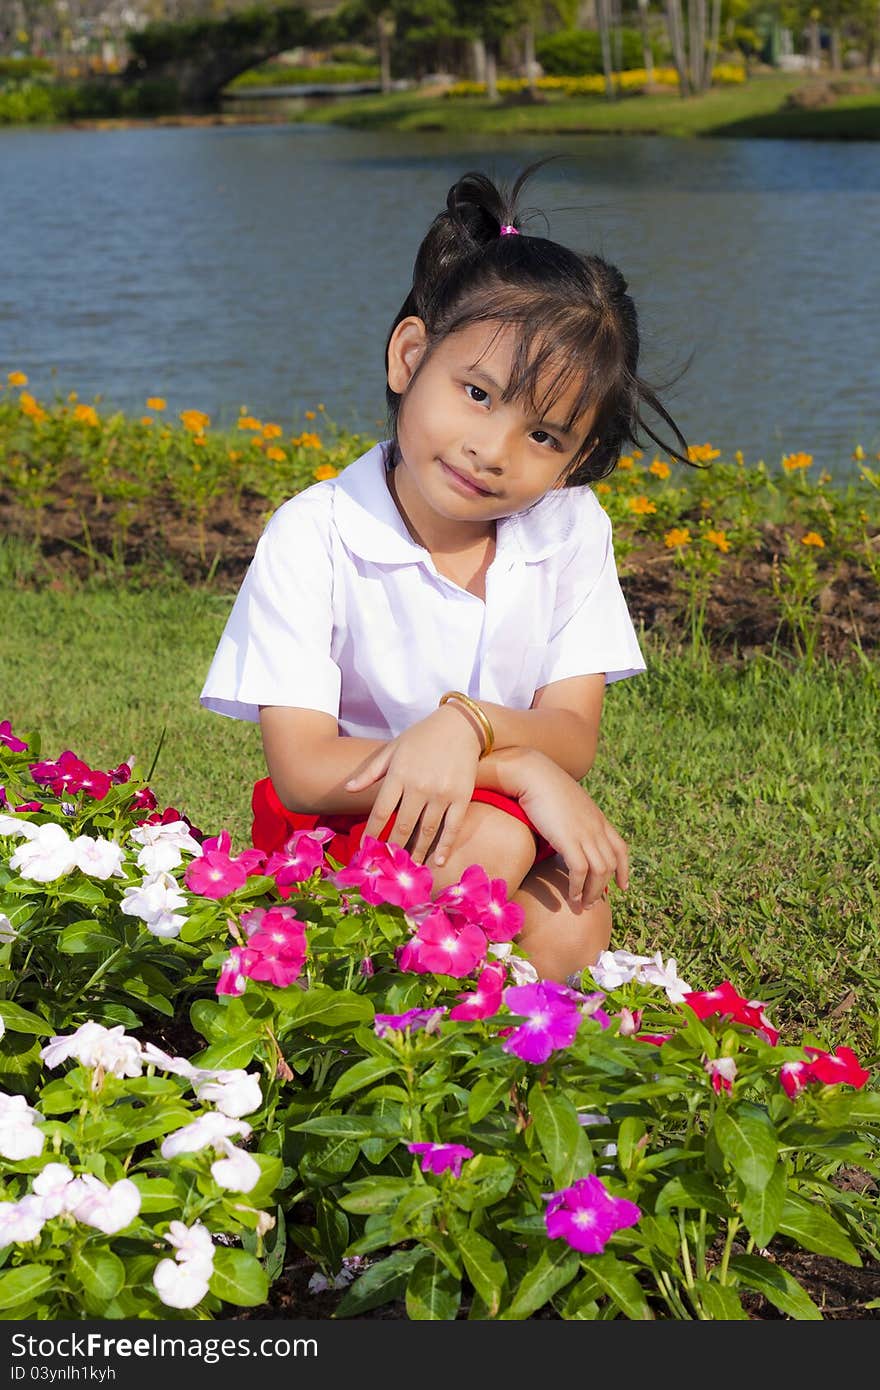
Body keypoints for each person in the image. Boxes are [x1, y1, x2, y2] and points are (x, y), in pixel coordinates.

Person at [200, 164, 690, 983]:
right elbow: (306, 770)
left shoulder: (567, 529)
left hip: (488, 821)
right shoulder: (315, 533)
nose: (490, 450)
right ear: (409, 355)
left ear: (577, 461)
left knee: (577, 910)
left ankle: (478, 1054)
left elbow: (573, 733)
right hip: (337, 831)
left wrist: (466, 729)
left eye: (545, 437)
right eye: (476, 392)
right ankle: (364, 1025)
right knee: (496, 840)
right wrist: (510, 761)